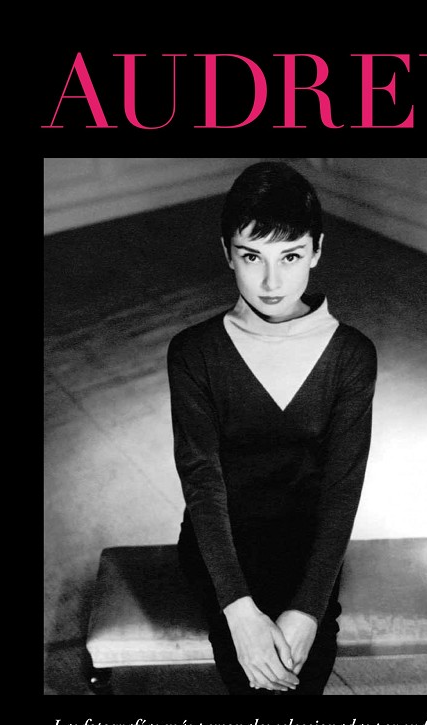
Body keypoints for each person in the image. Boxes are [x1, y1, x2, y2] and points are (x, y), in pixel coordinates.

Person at [167, 161, 377, 695]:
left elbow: (343, 488)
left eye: (290, 256)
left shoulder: (351, 355)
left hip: (307, 541)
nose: (270, 282)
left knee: (300, 672)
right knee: (252, 676)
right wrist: (238, 611)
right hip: (221, 541)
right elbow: (202, 483)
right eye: (251, 256)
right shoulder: (193, 352)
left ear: (317, 251)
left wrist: (307, 610)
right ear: (227, 253)